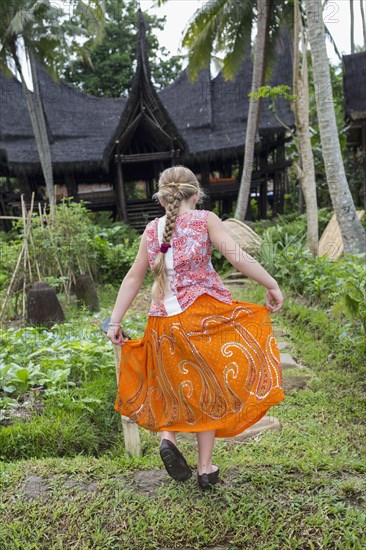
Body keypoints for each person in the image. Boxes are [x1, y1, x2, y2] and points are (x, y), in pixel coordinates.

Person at [108, 165, 285, 490]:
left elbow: (134, 277)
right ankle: (205, 468)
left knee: (172, 385)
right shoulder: (205, 220)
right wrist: (271, 283)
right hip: (202, 317)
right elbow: (236, 257)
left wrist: (115, 320)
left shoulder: (150, 231)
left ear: (162, 199)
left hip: (162, 322)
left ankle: (168, 437)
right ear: (197, 194)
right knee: (210, 389)